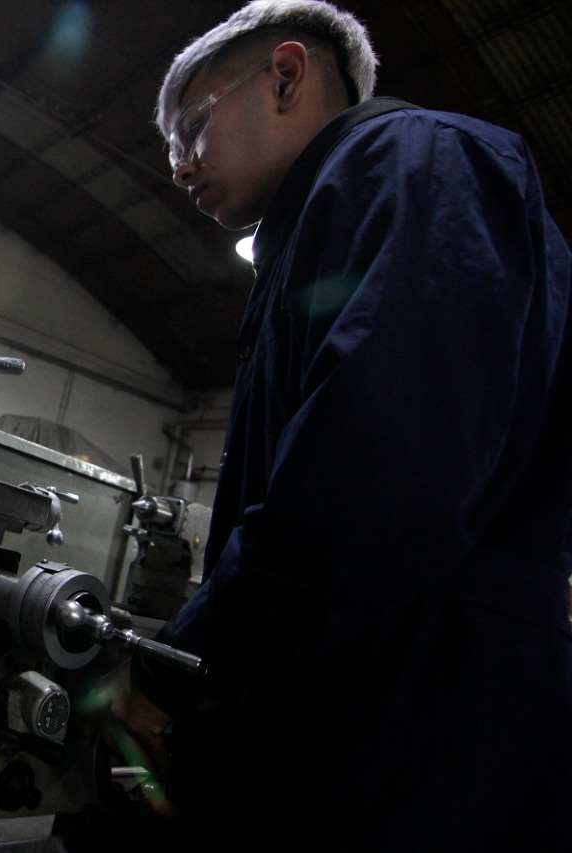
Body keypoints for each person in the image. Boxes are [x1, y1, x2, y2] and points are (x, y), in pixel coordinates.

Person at [103, 1, 572, 849]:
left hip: (419, 722)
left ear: (285, 77)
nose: (180, 167)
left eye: (192, 129)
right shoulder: (318, 227)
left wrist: (185, 665)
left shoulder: (417, 160)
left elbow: (376, 474)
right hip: (359, 710)